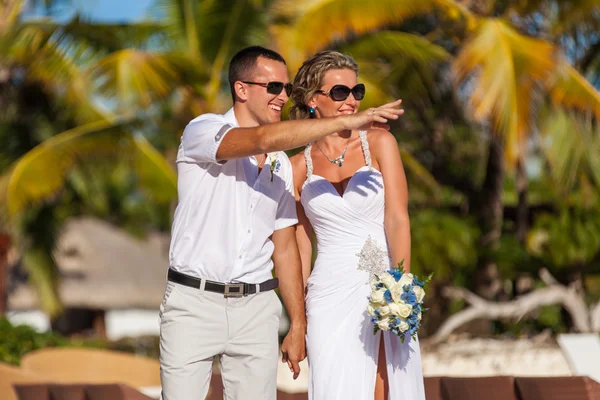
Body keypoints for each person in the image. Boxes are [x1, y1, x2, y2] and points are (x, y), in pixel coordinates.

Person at [159, 46, 404, 400]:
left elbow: (286, 246)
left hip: (257, 309)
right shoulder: (204, 130)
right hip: (193, 302)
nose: (283, 97)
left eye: (286, 88)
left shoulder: (281, 165)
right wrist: (346, 121)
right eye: (273, 87)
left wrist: (297, 324)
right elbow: (258, 139)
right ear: (241, 89)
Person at [289, 50, 425, 399]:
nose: (351, 101)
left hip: (379, 285)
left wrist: (401, 286)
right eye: (339, 92)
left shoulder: (380, 143)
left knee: (383, 386)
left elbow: (397, 218)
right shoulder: (296, 167)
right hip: (326, 293)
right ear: (312, 100)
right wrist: (299, 313)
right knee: (334, 386)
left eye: (356, 92)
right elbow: (300, 240)